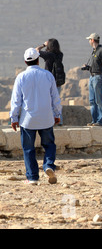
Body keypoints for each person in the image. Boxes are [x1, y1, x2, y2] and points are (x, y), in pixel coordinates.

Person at [10, 48, 62, 185]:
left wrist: (14, 118)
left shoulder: (21, 77)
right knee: (49, 145)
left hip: (28, 120)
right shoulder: (48, 75)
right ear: (38, 60)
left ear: (25, 61)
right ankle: (49, 165)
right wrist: (57, 114)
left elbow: (16, 100)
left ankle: (32, 177)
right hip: (46, 118)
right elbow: (55, 98)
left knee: (28, 149)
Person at [36, 38, 64, 125]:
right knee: (56, 102)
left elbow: (35, 51)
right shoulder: (60, 54)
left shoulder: (48, 55)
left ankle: (50, 121)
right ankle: (59, 121)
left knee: (48, 102)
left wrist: (43, 45)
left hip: (48, 81)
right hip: (57, 81)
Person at [83, 33, 102, 126]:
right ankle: (94, 120)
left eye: (89, 40)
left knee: (99, 100)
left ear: (92, 40)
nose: (89, 41)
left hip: (98, 78)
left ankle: (100, 121)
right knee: (92, 100)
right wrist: (88, 67)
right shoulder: (94, 51)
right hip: (92, 77)